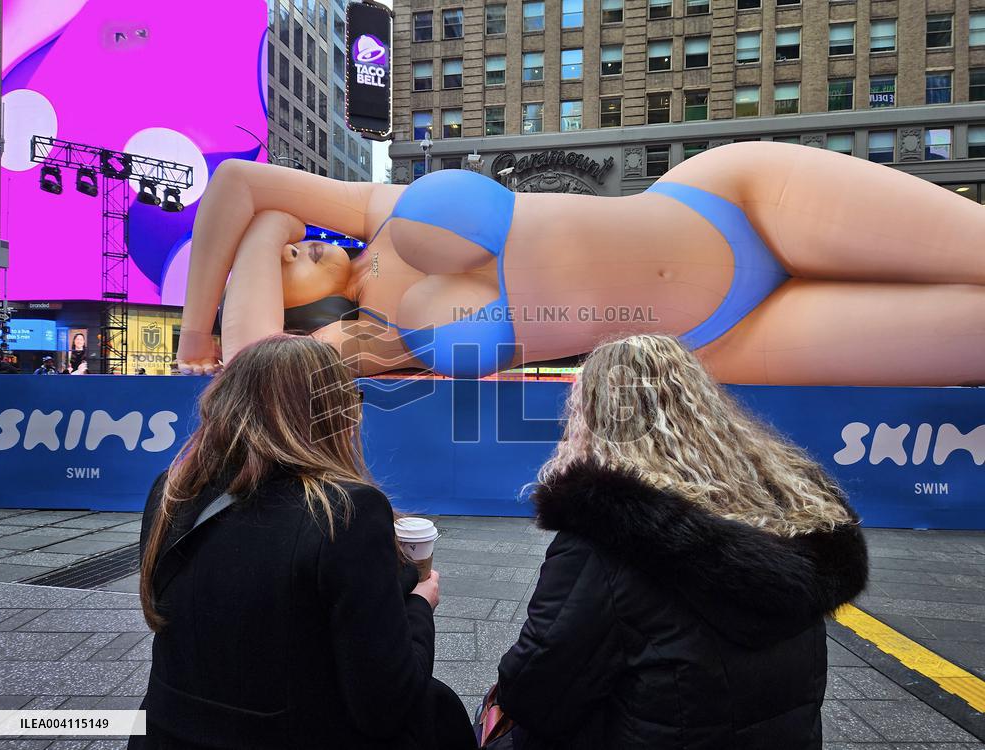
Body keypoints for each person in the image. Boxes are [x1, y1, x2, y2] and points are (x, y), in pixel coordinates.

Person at [175, 142, 983, 385]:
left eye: (287, 236)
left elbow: (242, 183)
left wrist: (189, 332)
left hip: (735, 197)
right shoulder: (368, 343)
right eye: (287, 263)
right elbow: (251, 360)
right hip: (722, 338)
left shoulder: (378, 212)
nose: (293, 240)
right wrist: (221, 321)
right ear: (290, 310)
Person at [495, 334, 868, 749]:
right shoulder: (792, 512)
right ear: (704, 403)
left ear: (596, 416)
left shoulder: (605, 539)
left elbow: (536, 693)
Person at [132, 334, 475, 750]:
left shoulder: (171, 492)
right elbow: (386, 704)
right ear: (333, 412)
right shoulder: (346, 511)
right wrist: (421, 604)